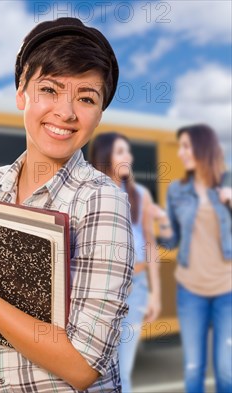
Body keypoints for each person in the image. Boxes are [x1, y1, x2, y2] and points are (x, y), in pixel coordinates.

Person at [0, 17, 134, 392]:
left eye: (86, 98)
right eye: (50, 90)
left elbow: (83, 366)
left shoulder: (101, 200)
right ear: (21, 92)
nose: (66, 112)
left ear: (100, 112)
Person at [156, 124, 232, 393]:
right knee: (193, 367)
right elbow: (173, 240)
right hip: (190, 290)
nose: (181, 153)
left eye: (186, 146)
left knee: (226, 370)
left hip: (227, 290)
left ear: (203, 147)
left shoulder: (228, 183)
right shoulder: (177, 190)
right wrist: (163, 225)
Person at [89, 132, 162, 392]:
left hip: (136, 289)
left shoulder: (140, 194)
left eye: (128, 151)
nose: (128, 157)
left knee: (122, 372)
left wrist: (155, 294)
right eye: (121, 152)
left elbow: (150, 244)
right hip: (99, 292)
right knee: (94, 371)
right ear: (105, 156)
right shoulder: (90, 193)